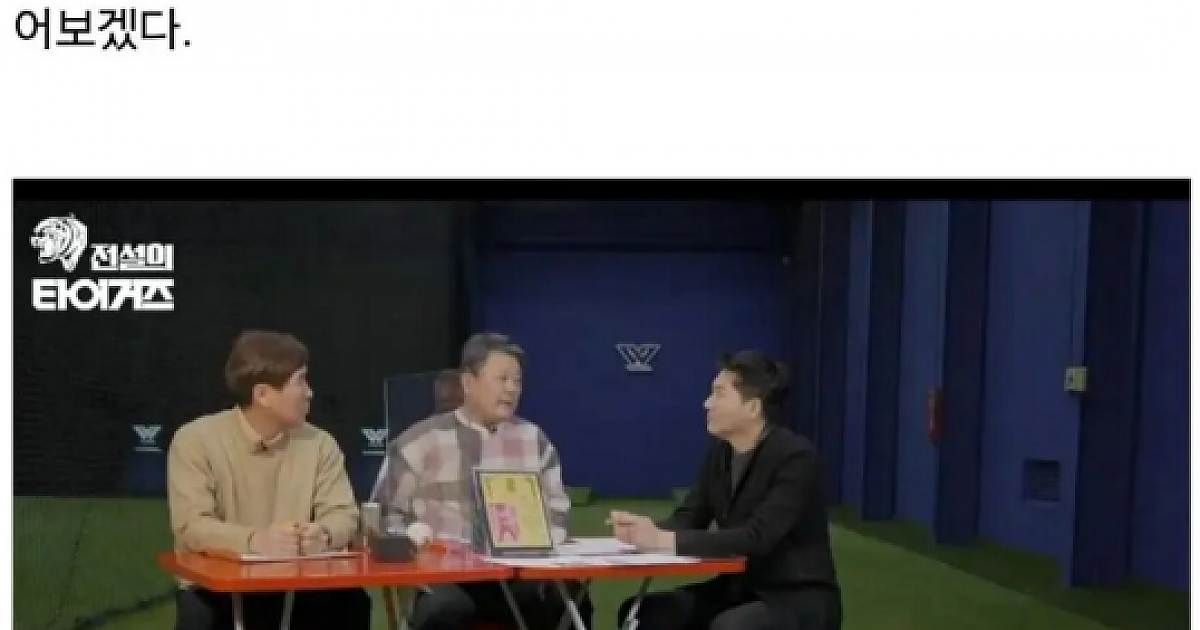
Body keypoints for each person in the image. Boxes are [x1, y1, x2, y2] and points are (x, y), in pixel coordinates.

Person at [376, 332, 593, 630]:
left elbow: (559, 514)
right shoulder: (418, 442)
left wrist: (539, 544)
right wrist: (414, 539)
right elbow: (383, 517)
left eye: (517, 381)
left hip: (517, 574)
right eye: (502, 379)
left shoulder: (534, 441)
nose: (511, 389)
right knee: (443, 610)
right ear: (468, 382)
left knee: (569, 601)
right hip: (445, 577)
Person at [612, 351, 841, 630]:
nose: (707, 403)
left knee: (730, 627)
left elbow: (757, 538)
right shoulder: (720, 455)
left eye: (719, 394)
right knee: (643, 613)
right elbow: (688, 517)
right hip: (737, 589)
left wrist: (662, 540)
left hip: (795, 596)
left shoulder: (796, 458)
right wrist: (641, 532)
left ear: (753, 408)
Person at [167, 330, 370, 630]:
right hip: (220, 586)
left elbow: (343, 514)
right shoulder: (195, 440)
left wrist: (324, 535)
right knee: (200, 614)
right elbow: (192, 526)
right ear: (262, 395)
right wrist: (256, 541)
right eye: (300, 381)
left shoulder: (320, 444)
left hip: (301, 584)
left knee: (350, 601)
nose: (309, 392)